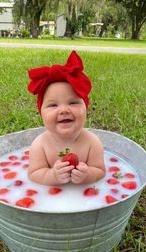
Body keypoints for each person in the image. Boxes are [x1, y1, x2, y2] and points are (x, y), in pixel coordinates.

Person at [27, 50, 106, 186]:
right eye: (53, 105)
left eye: (73, 102)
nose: (64, 110)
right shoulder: (40, 145)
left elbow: (100, 170)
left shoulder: (93, 142)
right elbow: (34, 173)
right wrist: (51, 176)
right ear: (41, 113)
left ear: (86, 109)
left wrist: (88, 175)